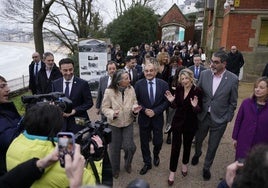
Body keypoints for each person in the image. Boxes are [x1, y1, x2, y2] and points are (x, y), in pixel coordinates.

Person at [6, 104, 103, 188]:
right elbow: (92, 184)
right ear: (58, 128)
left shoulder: (14, 144)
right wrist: (96, 158)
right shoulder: (66, 162)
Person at [191, 50, 239, 180]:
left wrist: (227, 118)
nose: (212, 64)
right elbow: (197, 93)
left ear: (224, 63)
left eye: (216, 62)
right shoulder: (204, 74)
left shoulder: (233, 79)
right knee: (198, 140)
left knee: (213, 146)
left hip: (220, 119)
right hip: (203, 116)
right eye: (212, 61)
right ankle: (197, 153)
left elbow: (233, 102)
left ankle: (206, 167)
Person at [164, 68, 203, 186]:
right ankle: (172, 172)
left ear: (191, 78)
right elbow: (176, 106)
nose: (184, 81)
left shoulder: (198, 91)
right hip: (178, 122)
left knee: (187, 145)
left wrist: (195, 106)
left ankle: (185, 164)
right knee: (175, 147)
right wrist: (172, 101)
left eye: (186, 78)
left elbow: (199, 109)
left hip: (190, 123)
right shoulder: (180, 88)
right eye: (182, 79)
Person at [101, 69, 142, 179]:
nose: (129, 79)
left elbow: (135, 102)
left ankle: (127, 163)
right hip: (114, 124)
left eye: (128, 77)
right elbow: (104, 108)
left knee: (130, 147)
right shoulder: (109, 91)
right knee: (114, 149)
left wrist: (134, 109)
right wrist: (112, 113)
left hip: (128, 122)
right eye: (126, 78)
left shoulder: (131, 89)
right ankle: (115, 169)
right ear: (119, 81)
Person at [135, 62, 169, 175]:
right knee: (144, 142)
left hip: (158, 118)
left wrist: (155, 111)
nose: (149, 73)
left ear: (155, 71)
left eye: (151, 71)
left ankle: (156, 154)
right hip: (144, 118)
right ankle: (147, 162)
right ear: (144, 72)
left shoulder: (163, 84)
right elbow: (136, 101)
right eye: (146, 71)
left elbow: (166, 101)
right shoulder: (138, 84)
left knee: (158, 141)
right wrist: (144, 110)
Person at [52, 58, 93, 133]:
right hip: (62, 123)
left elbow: (89, 103)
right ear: (60, 70)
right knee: (63, 144)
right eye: (65, 70)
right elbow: (54, 100)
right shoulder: (55, 83)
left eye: (70, 70)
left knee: (79, 143)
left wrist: (74, 111)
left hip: (79, 121)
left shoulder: (83, 84)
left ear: (73, 69)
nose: (68, 73)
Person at [232, 76, 268, 160]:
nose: (257, 89)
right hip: (243, 142)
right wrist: (235, 138)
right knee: (240, 168)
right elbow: (238, 121)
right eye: (256, 87)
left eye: (261, 87)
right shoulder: (246, 103)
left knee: (255, 170)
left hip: (261, 146)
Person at [0, 75, 23, 176]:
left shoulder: (6, 109)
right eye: (2, 86)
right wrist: (31, 118)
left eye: (7, 85)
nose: (8, 89)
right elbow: (12, 140)